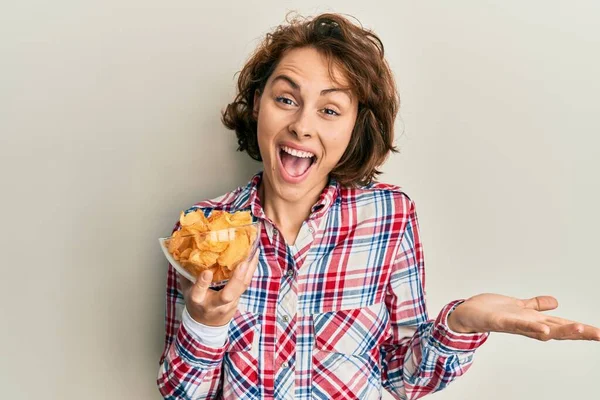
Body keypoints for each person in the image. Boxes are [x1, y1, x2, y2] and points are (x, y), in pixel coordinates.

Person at [157, 12, 600, 400]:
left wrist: (460, 326)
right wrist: (204, 324)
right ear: (258, 105)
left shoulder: (390, 218)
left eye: (330, 110)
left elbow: (402, 378)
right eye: (286, 99)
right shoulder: (203, 232)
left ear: (354, 127)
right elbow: (181, 393)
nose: (302, 125)